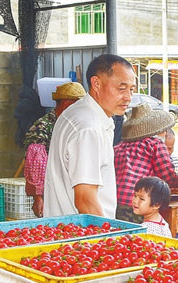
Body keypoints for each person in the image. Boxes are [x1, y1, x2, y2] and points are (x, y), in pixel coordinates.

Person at [44, 54, 136, 218]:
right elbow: (85, 200)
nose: (128, 97)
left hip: (70, 232)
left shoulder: (79, 113)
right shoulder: (88, 127)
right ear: (96, 84)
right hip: (84, 236)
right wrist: (105, 238)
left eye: (131, 90)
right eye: (121, 89)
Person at [114, 103, 178, 223]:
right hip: (139, 204)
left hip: (116, 203)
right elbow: (168, 178)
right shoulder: (154, 144)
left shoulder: (119, 147)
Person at [23, 82, 86, 217]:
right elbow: (35, 164)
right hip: (50, 190)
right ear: (66, 104)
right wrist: (38, 198)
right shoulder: (43, 127)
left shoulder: (70, 123)